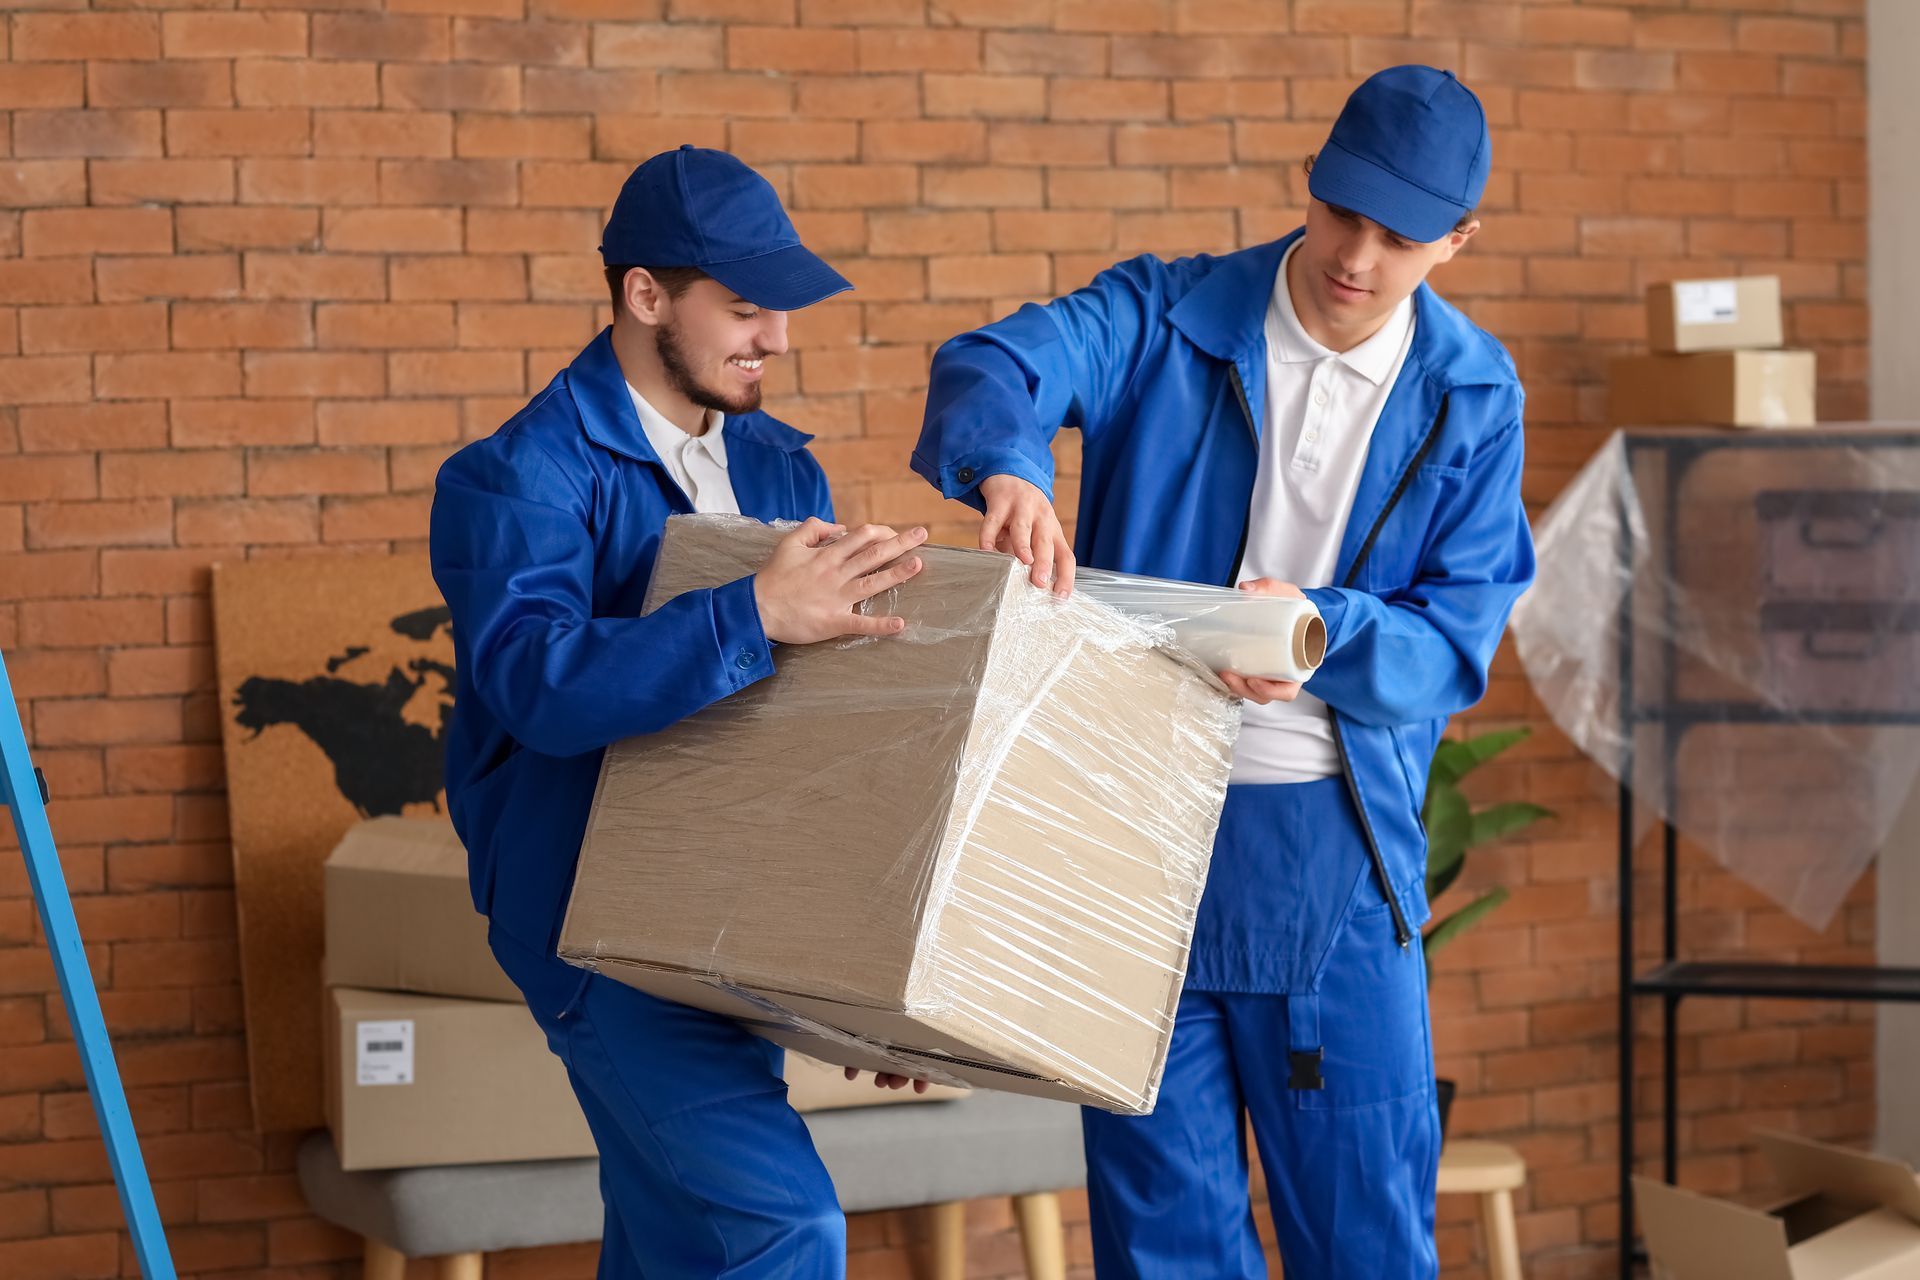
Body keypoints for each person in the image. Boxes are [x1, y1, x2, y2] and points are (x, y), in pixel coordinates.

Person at [910, 67, 1536, 1278]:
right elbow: (995, 361)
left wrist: (1319, 630)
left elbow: (1454, 639)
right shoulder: (1165, 314)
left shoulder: (1472, 395)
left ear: (1458, 240)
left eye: (1401, 237)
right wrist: (1009, 465)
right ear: (1311, 179)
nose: (1357, 256)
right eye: (1342, 211)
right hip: (1132, 847)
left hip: (1331, 854)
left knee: (1364, 1242)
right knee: (1161, 1240)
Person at [430, 145, 927, 1279]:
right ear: (646, 296)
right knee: (777, 1229)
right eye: (745, 309)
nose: (777, 339)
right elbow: (536, 681)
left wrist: (863, 983)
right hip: (594, 927)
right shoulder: (517, 476)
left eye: (781, 310)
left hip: (730, 913)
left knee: (673, 1245)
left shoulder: (781, 470)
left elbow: (814, 732)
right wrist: (751, 611)